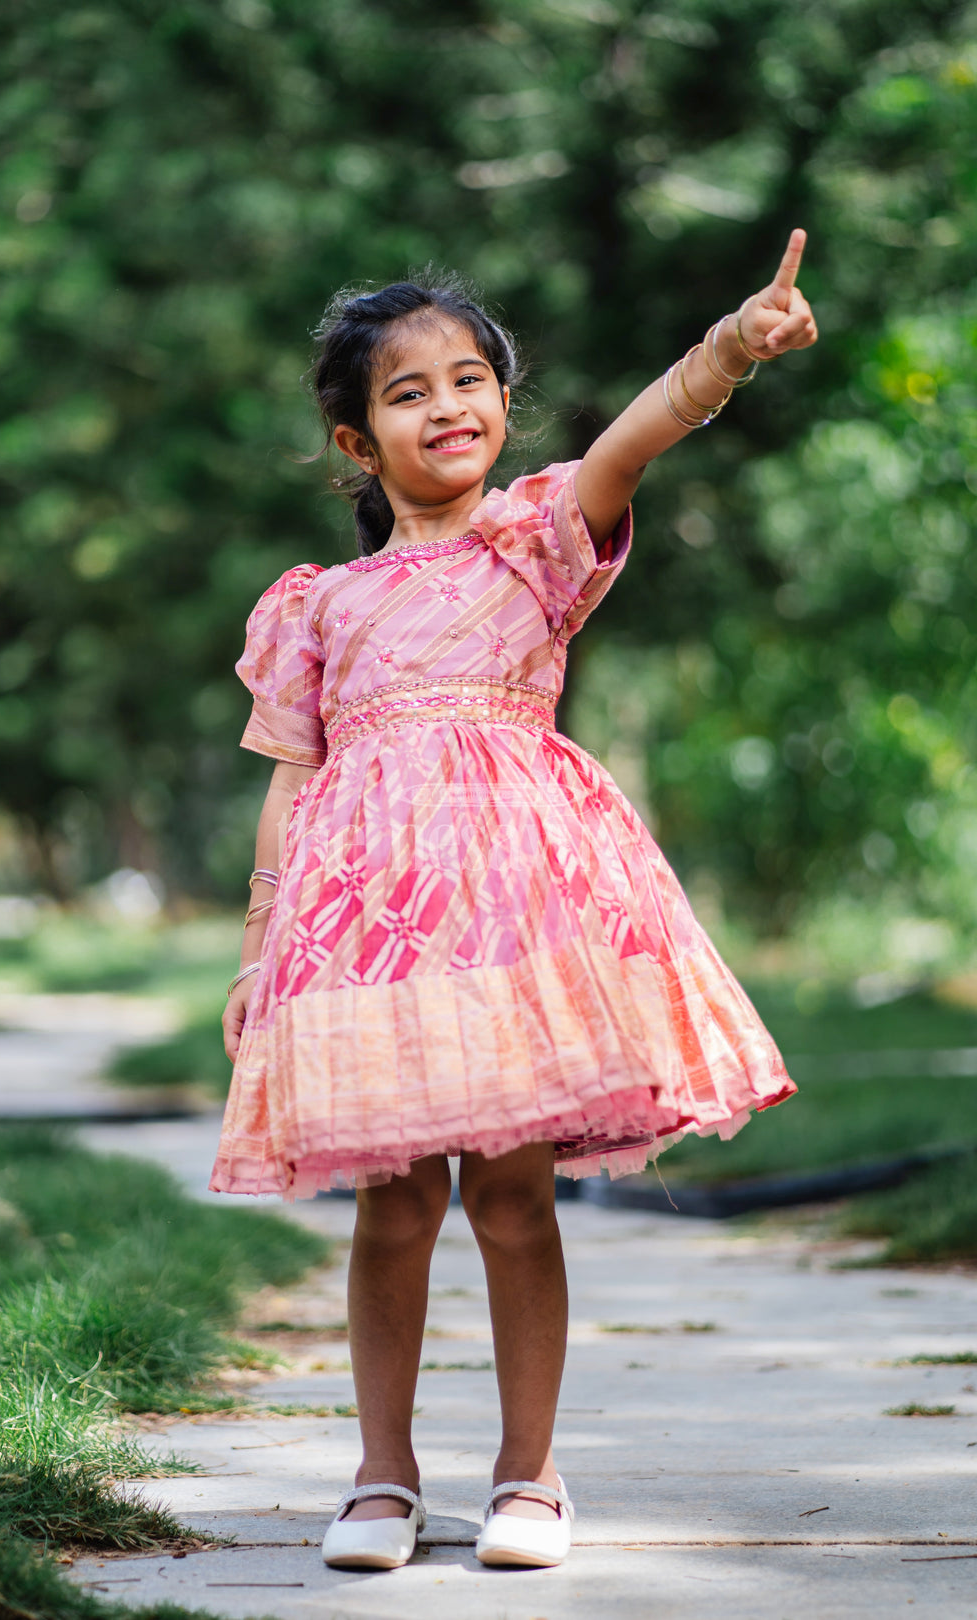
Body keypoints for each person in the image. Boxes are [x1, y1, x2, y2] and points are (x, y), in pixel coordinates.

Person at [211, 233, 816, 1572]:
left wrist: (728, 348)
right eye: (409, 391)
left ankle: (528, 1477)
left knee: (511, 1198)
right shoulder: (321, 606)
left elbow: (637, 439)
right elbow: (290, 782)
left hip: (518, 925)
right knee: (394, 1202)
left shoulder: (534, 540)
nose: (450, 406)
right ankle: (381, 1479)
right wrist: (261, 949)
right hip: (366, 935)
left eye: (471, 377)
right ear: (356, 445)